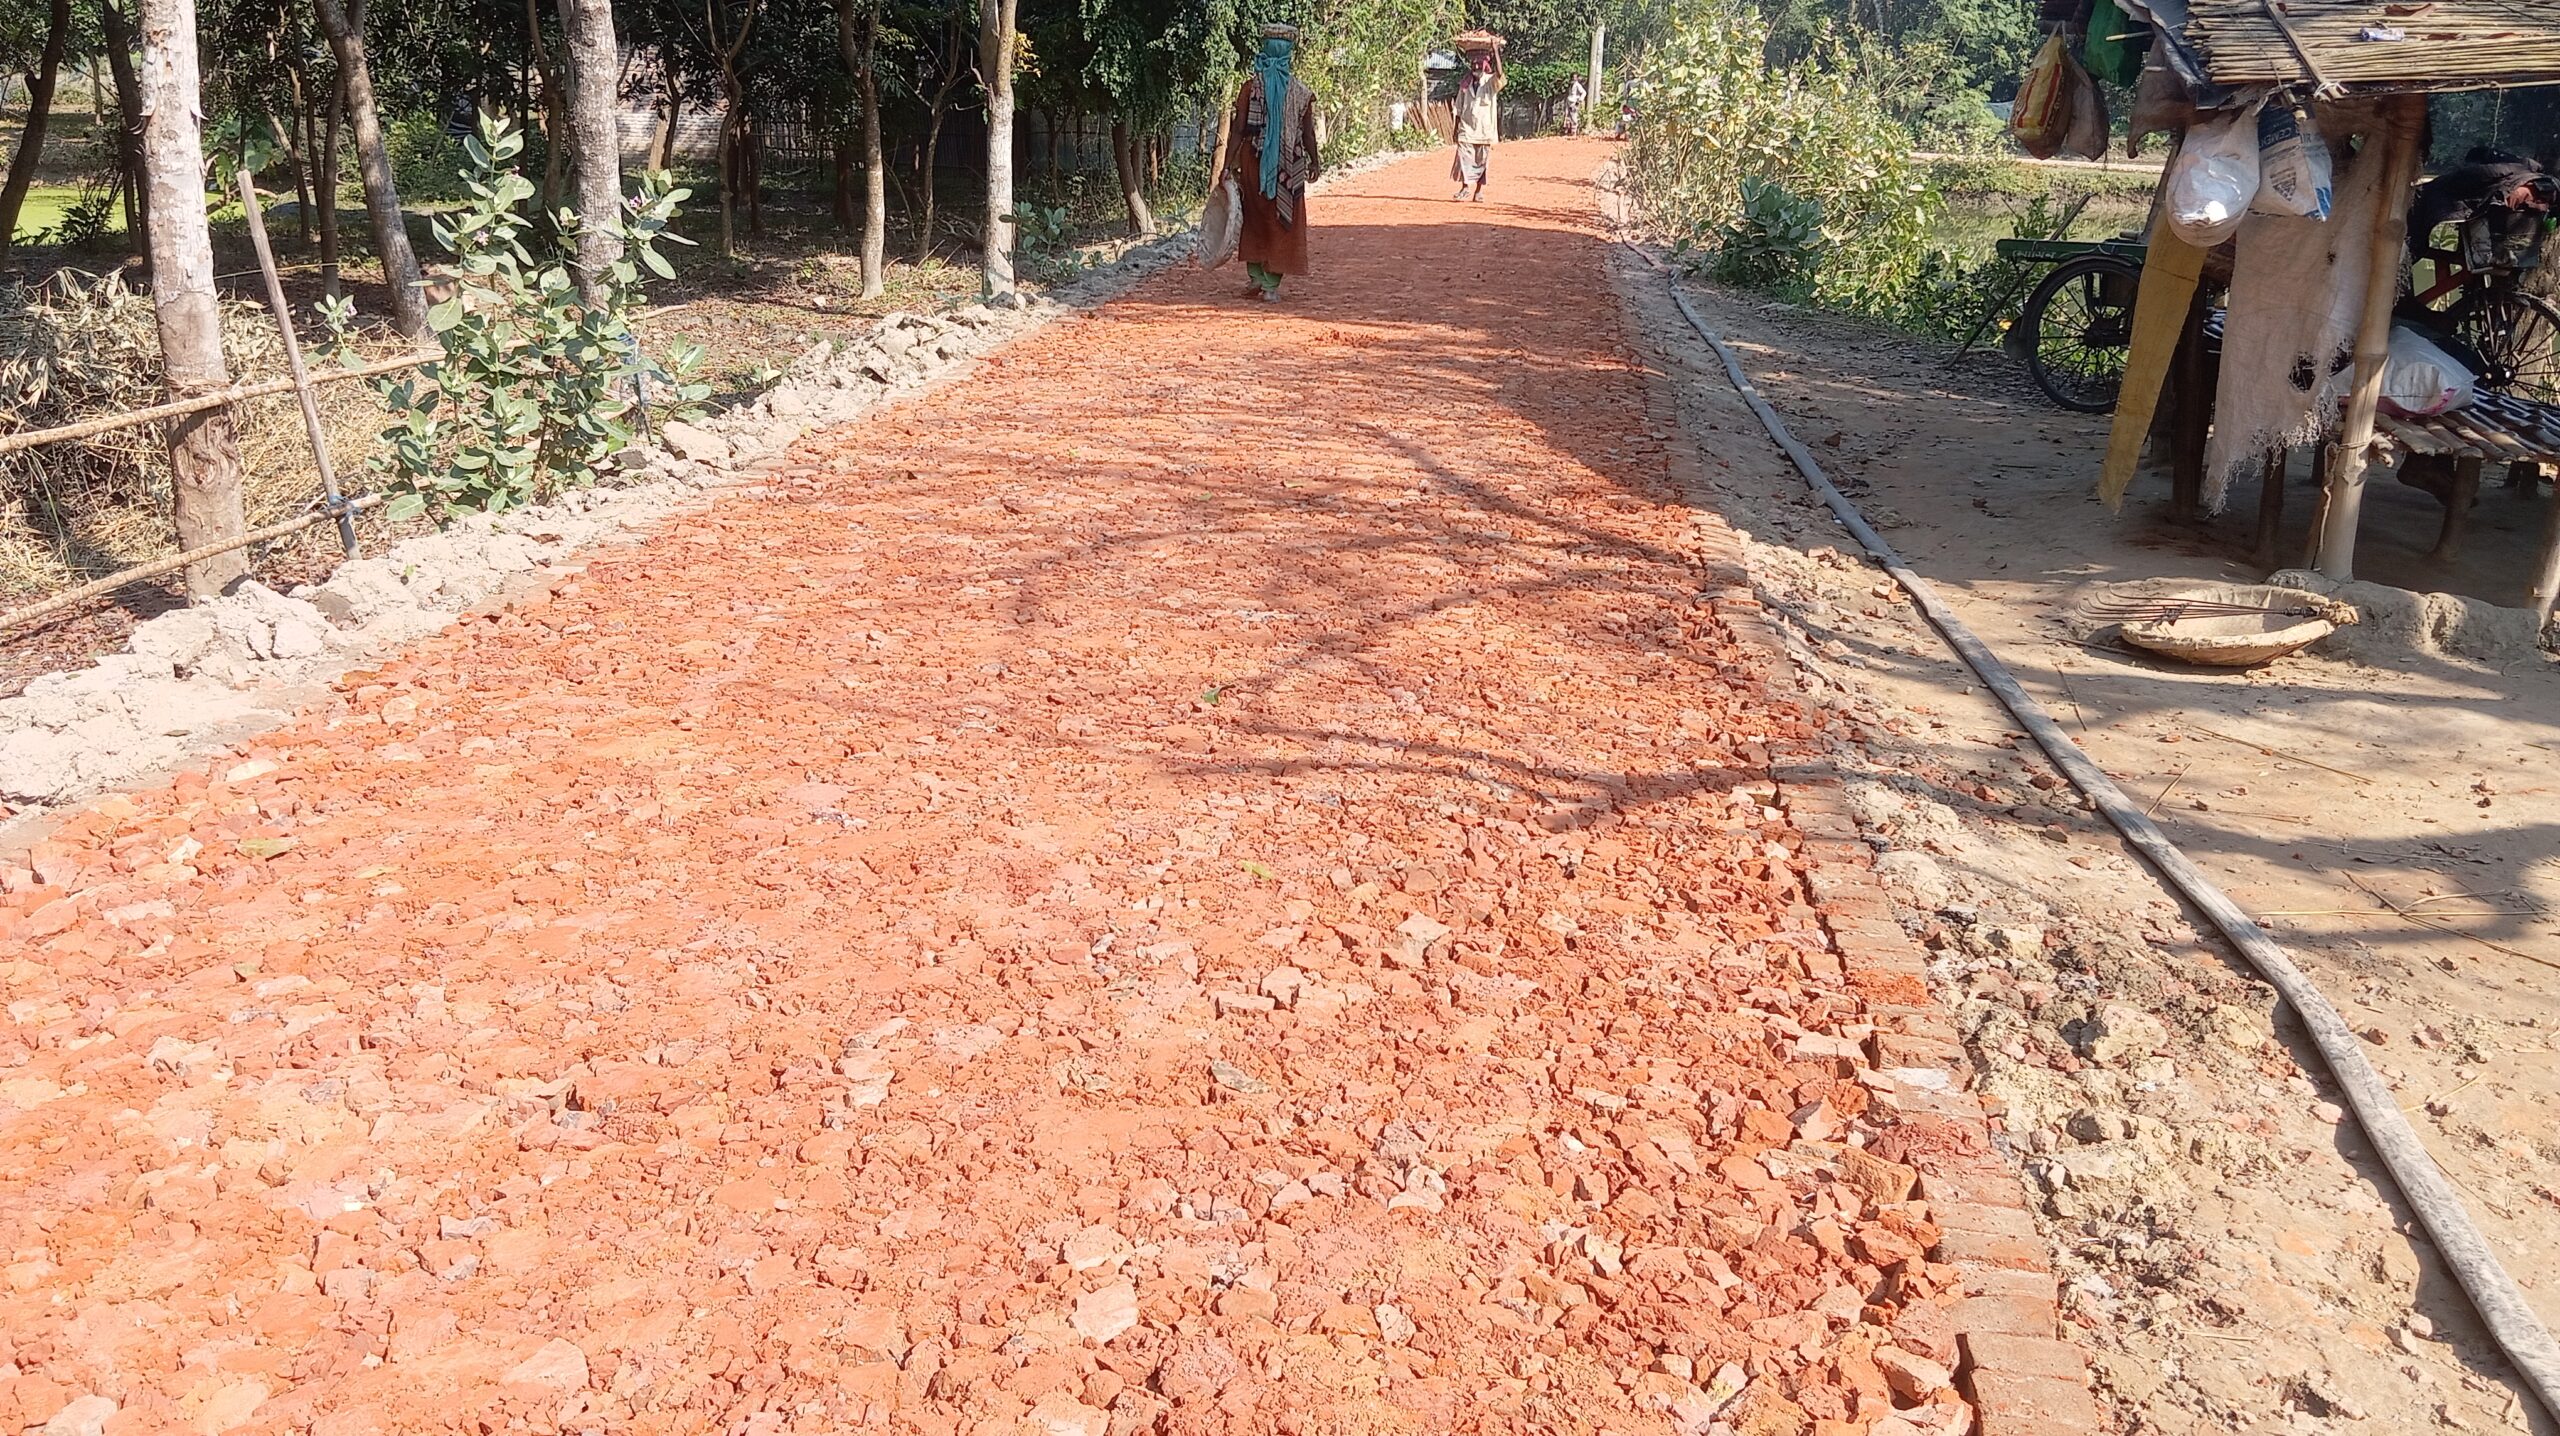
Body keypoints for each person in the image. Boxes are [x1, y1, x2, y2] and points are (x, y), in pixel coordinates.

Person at [1218, 23, 1322, 302]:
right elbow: (1308, 134)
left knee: (1254, 217)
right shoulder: (1301, 92)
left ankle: (1256, 276)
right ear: (1289, 53)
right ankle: (1270, 286)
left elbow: (1239, 130)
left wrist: (1226, 165)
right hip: (1289, 166)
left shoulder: (1250, 88)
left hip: (1253, 162)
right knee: (1282, 221)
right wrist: (1315, 162)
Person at [1451, 43, 1503, 202]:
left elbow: (1500, 74)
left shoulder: (1490, 82)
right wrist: (1455, 129)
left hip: (1484, 130)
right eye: (1473, 64)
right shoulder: (1465, 84)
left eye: (1479, 64)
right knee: (1463, 159)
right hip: (1466, 128)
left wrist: (1495, 51)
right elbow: (1458, 108)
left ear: (1485, 66)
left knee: (1482, 162)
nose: (1476, 67)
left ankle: (1478, 191)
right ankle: (1465, 188)